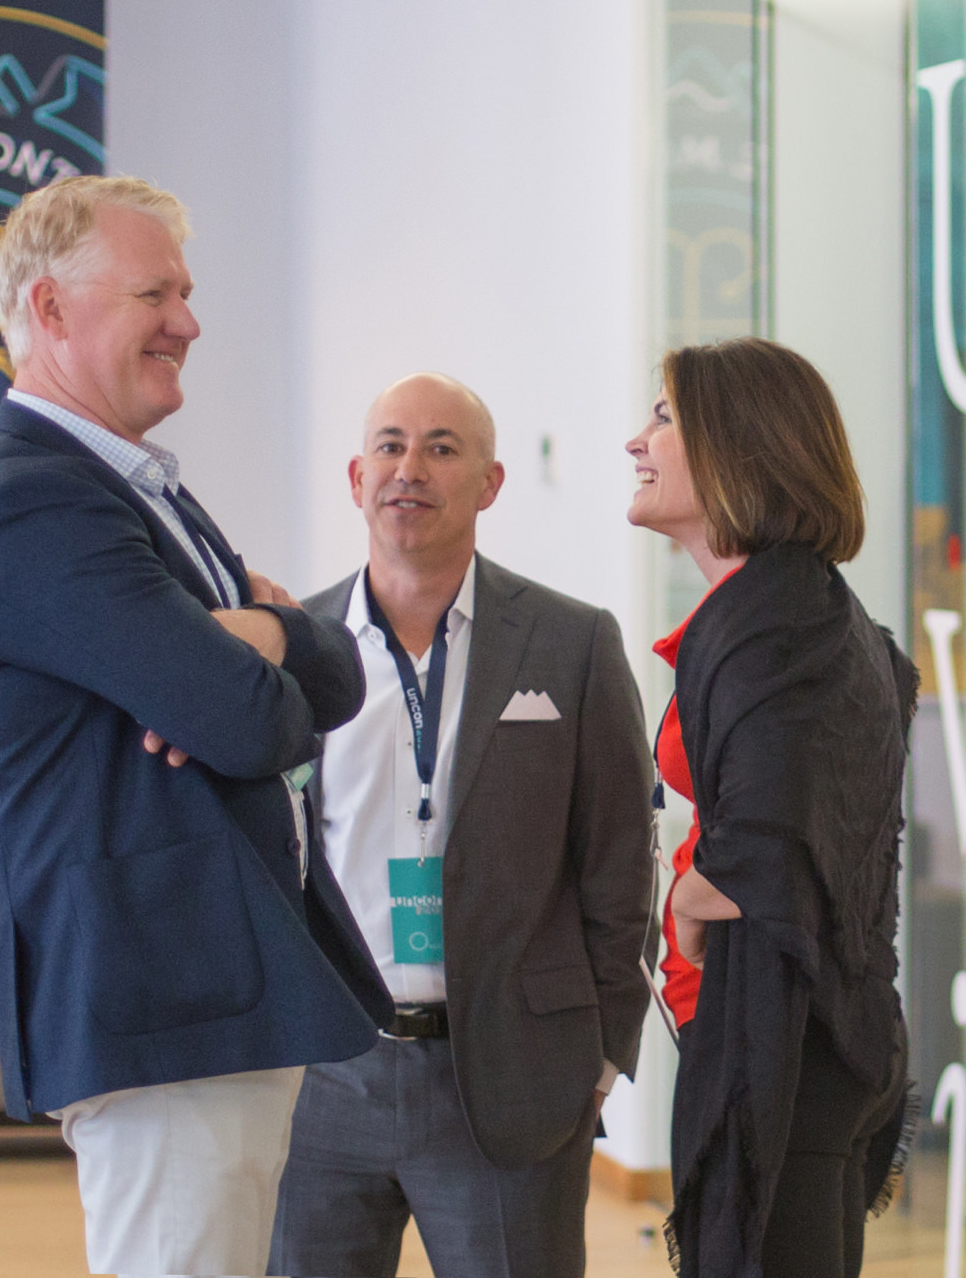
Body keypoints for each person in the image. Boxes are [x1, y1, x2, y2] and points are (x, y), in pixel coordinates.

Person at [0, 174, 392, 1278]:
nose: (187, 320)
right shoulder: (38, 504)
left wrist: (260, 633)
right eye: (154, 293)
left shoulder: (138, 492)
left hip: (196, 1001)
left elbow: (337, 671)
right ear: (49, 310)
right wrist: (251, 655)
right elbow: (245, 725)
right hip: (163, 999)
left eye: (186, 290)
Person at [270, 373, 655, 1278]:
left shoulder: (571, 643)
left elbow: (618, 860)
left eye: (443, 448)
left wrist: (602, 1053)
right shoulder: (293, 646)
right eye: (392, 446)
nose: (412, 468)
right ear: (356, 476)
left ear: (490, 483)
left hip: (510, 1077)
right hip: (329, 1077)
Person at [625, 337, 916, 1278]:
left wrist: (682, 906)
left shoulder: (775, 623)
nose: (638, 440)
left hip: (789, 1048)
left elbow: (768, 851)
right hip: (822, 1040)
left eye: (665, 418)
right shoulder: (803, 611)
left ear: (735, 447)